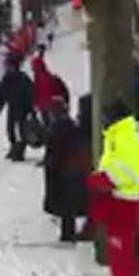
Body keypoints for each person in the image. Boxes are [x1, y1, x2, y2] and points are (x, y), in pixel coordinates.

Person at [85, 100, 139, 276]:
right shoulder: (118, 136)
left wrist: (102, 180)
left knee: (121, 259)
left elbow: (127, 171)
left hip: (122, 203)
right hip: (120, 202)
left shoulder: (124, 138)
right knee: (127, 258)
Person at [42, 97, 91, 243]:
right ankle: (70, 231)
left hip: (64, 168)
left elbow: (57, 149)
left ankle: (67, 233)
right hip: (71, 167)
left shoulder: (58, 127)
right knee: (70, 202)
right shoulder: (72, 125)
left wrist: (50, 162)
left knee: (65, 203)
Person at [0, 58, 34, 161]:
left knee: (20, 130)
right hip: (16, 106)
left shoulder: (21, 77)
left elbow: (30, 92)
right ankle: (15, 148)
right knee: (12, 129)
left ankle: (19, 151)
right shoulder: (11, 77)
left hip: (21, 107)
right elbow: (3, 91)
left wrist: (31, 109)